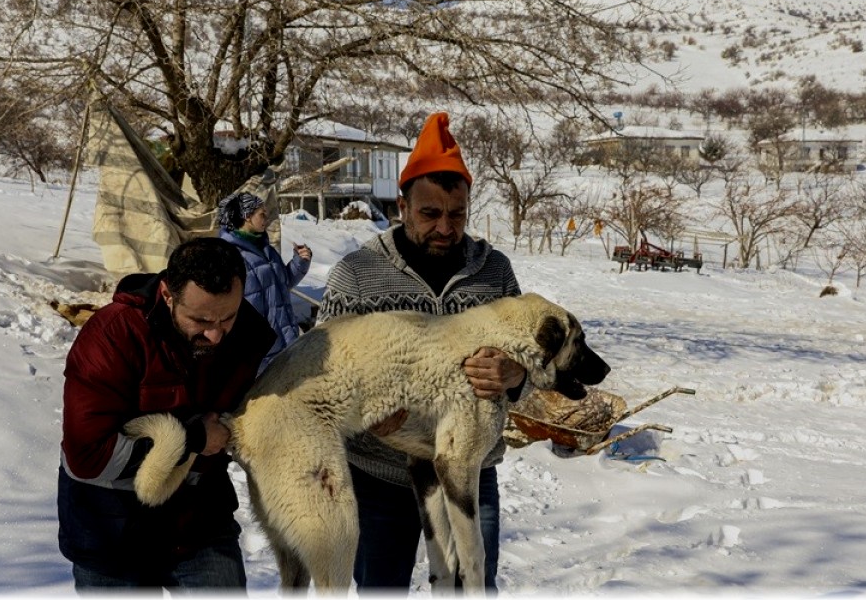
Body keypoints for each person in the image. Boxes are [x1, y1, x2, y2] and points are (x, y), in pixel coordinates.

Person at [317, 111, 527, 593]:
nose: (445, 228)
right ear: (402, 206)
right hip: (377, 475)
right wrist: (363, 412)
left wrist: (513, 375)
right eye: (430, 214)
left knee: (471, 587)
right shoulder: (358, 274)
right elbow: (324, 372)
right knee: (379, 587)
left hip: (470, 473)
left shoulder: (494, 273)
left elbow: (528, 361)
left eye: (457, 214)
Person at [57, 237, 275, 593]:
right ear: (168, 294)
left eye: (228, 316)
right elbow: (88, 457)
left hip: (198, 524)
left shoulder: (248, 334)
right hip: (111, 530)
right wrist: (194, 439)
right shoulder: (113, 334)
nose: (216, 334)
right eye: (200, 319)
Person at [217, 191, 312, 373]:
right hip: (257, 354)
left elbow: (282, 284)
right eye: (261, 214)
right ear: (246, 216)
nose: (266, 218)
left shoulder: (266, 250)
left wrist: (300, 262)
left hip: (285, 342)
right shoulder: (229, 256)